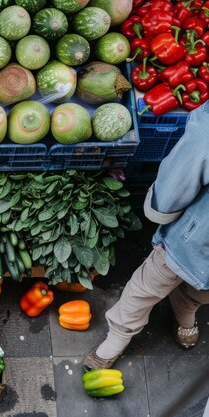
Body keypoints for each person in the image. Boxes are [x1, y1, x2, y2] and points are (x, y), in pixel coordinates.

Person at [83, 102, 209, 371]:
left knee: (201, 291)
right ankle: (120, 332)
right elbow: (187, 166)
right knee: (152, 283)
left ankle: (185, 305)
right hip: (195, 237)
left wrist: (162, 206)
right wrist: (164, 206)